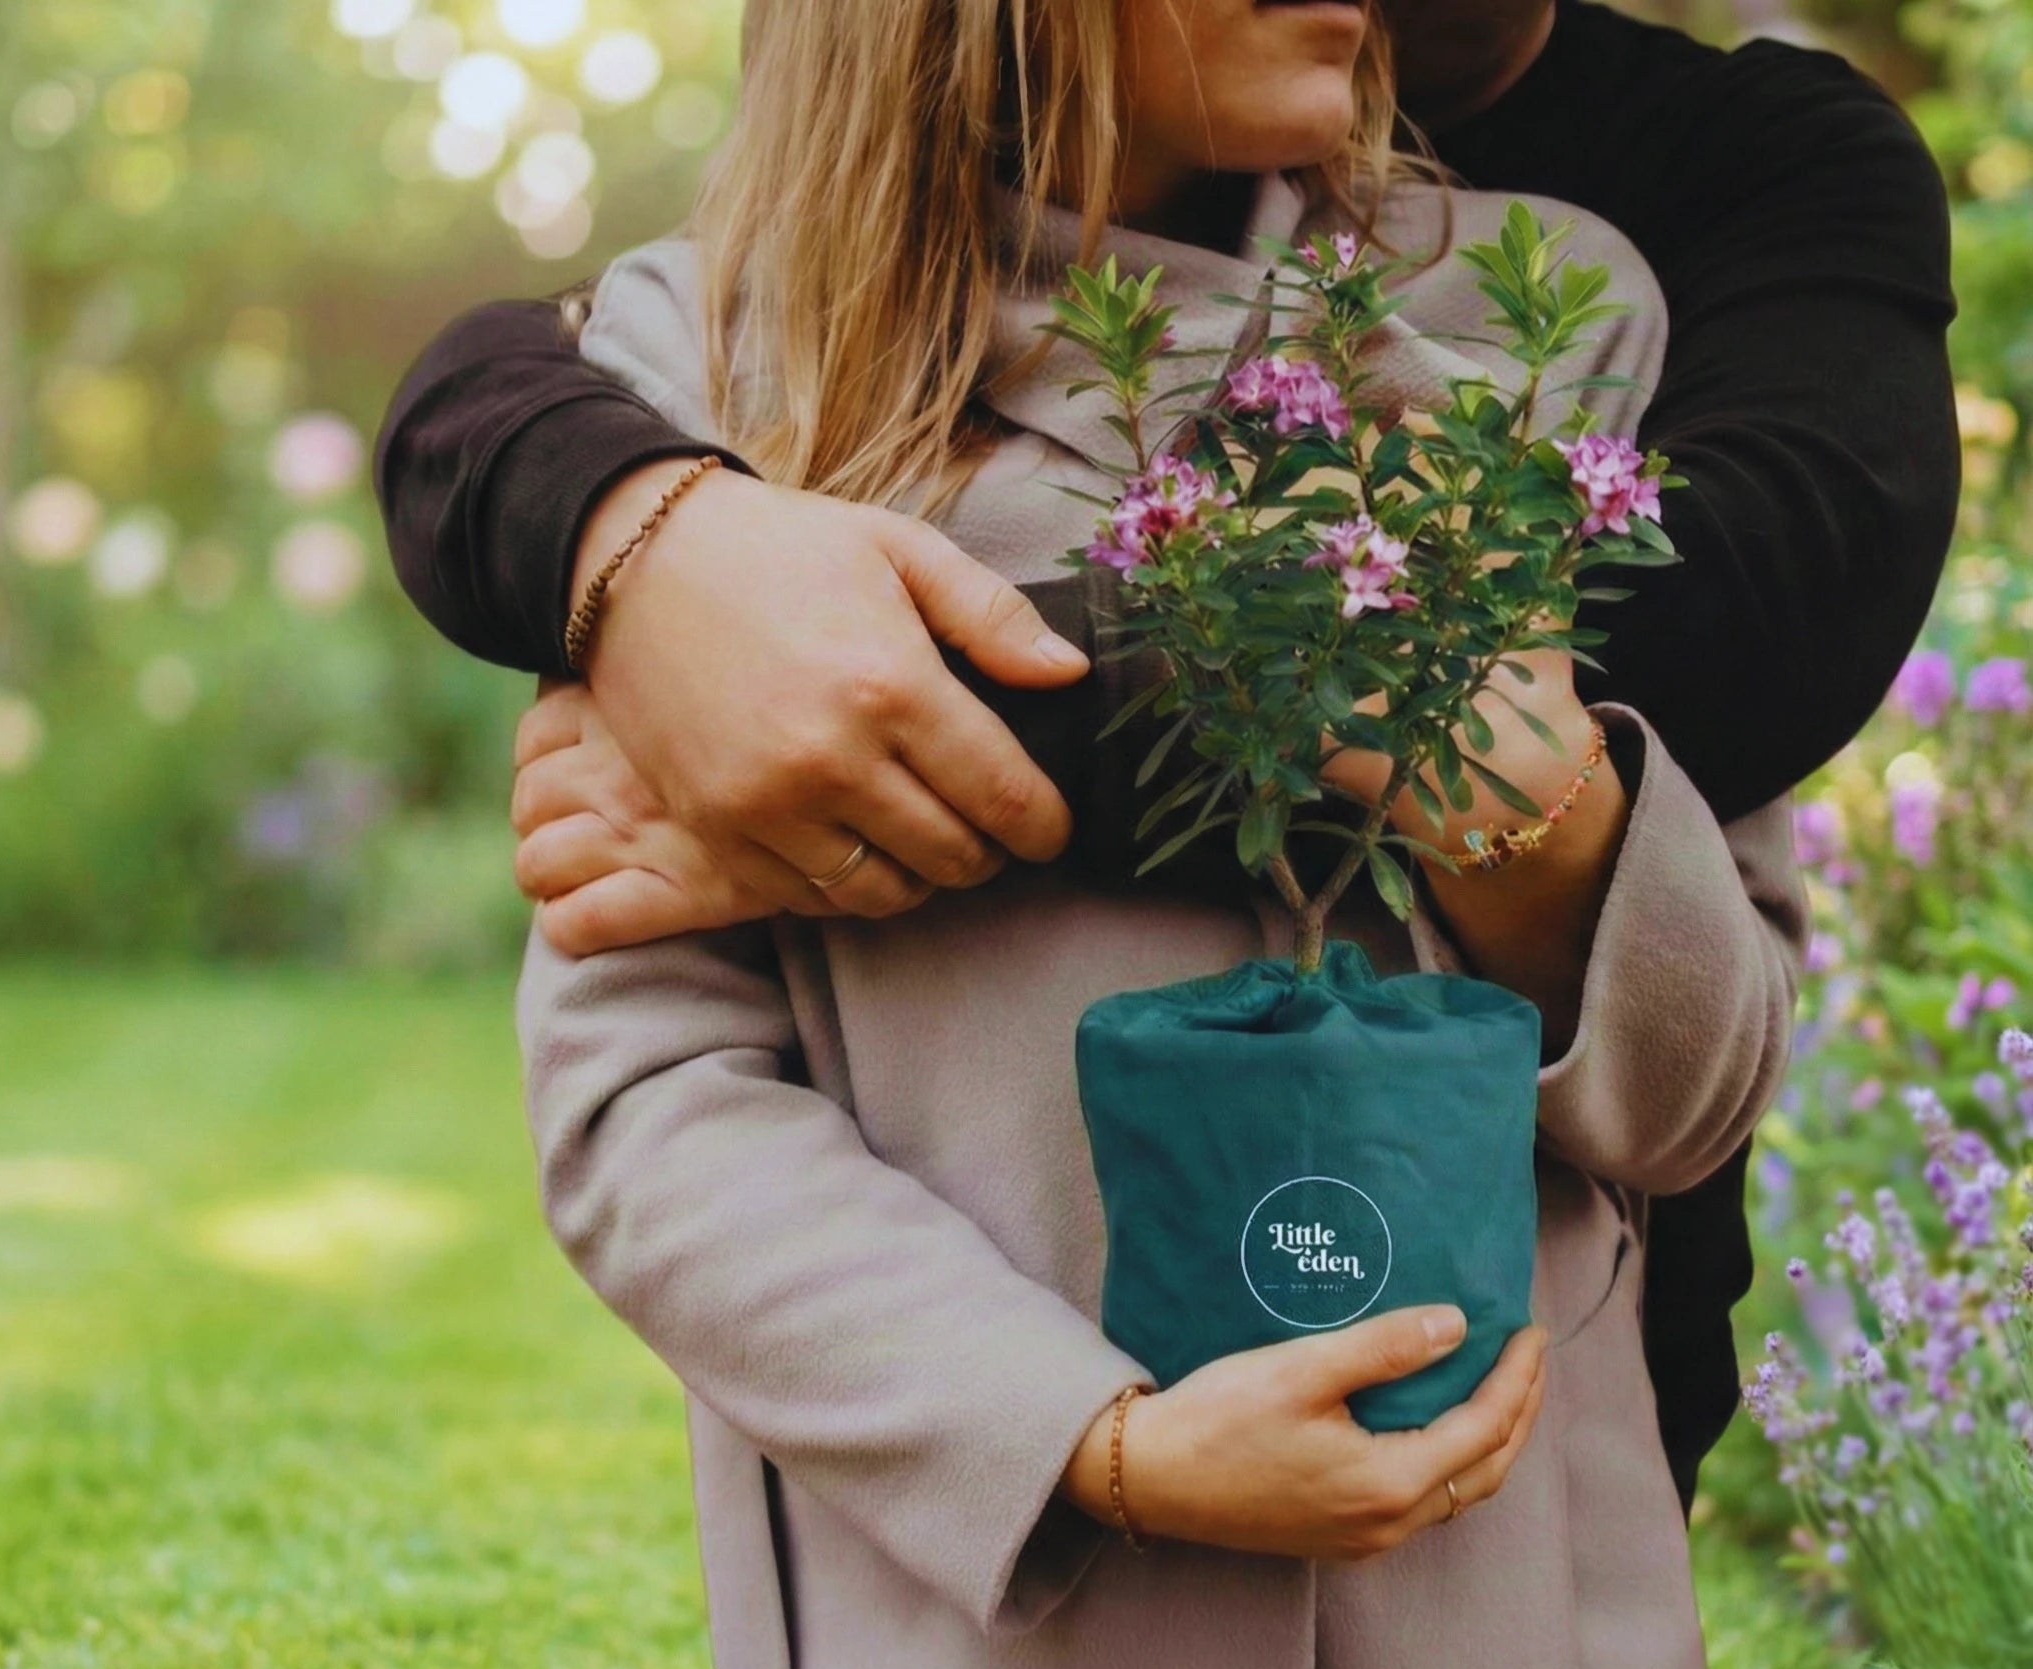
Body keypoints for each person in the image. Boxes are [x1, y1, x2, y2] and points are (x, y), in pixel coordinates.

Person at [378, 0, 1956, 1510]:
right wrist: (1080, 1444)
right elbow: (647, 1099)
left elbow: (1699, 1085)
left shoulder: (1566, 309)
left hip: (1522, 1570)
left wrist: (1484, 775)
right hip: (1006, 1618)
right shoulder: (706, 371)